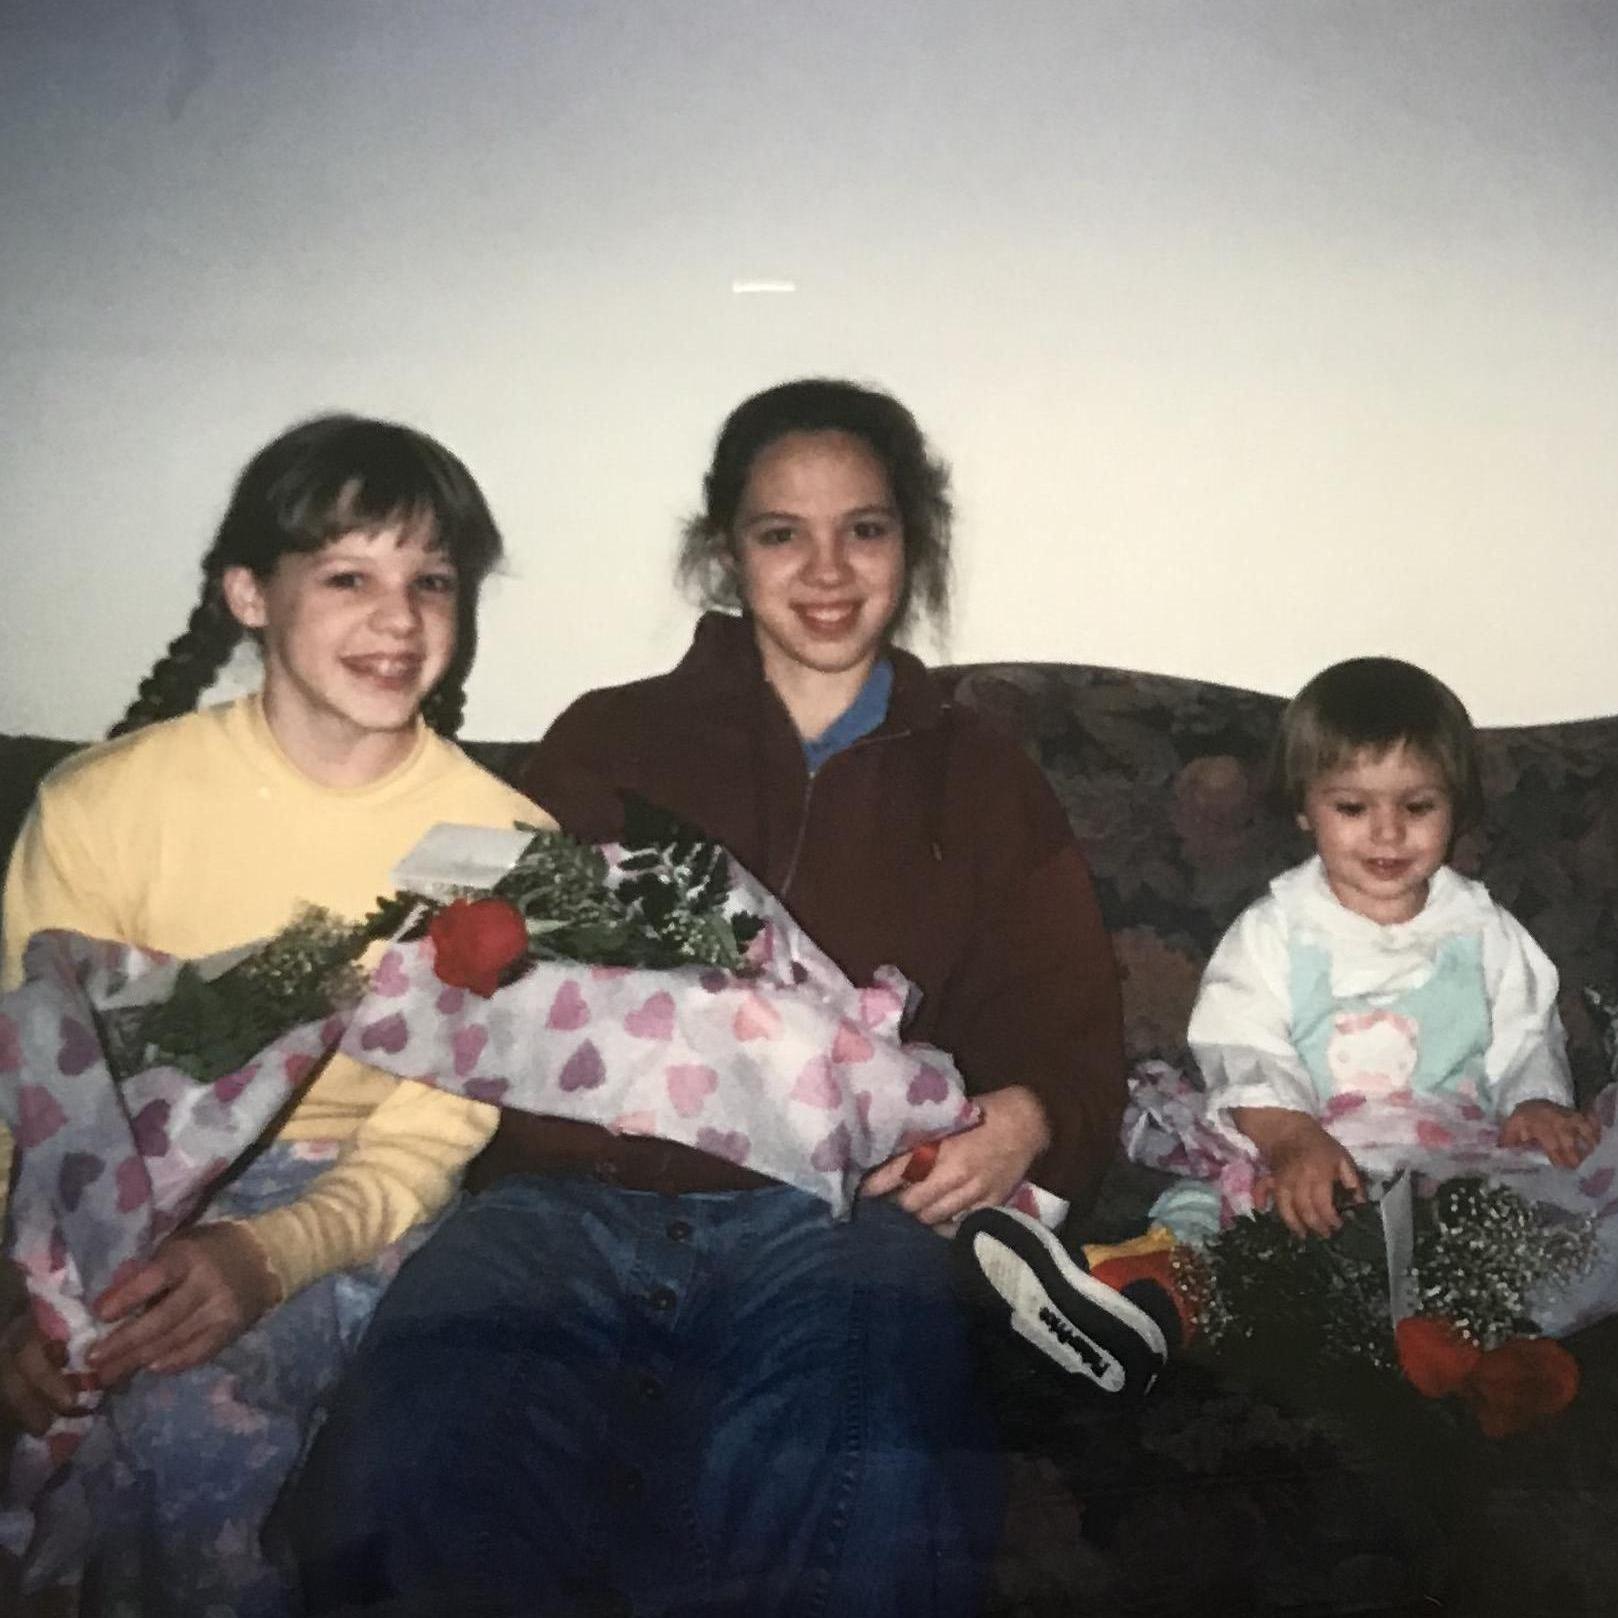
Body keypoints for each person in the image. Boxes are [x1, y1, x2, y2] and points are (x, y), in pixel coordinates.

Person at [280, 377, 1127, 1618]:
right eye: (782, 531)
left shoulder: (985, 774)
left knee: (868, 1487)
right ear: (726, 550)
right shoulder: (608, 740)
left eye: (867, 528)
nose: (826, 568)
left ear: (912, 544)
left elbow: (1065, 1019)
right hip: (566, 1201)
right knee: (414, 1466)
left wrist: (1031, 1115)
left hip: (836, 1218)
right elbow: (490, 981)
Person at [0, 413, 548, 1617]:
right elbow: (30, 1089)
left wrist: (265, 1254)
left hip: (356, 1206)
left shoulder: (506, 848)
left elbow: (428, 1138)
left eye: (431, 582)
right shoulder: (101, 805)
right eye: (349, 575)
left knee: (194, 1426)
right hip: (109, 1191)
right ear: (248, 592)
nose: (400, 621)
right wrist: (19, 1292)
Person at [966, 656, 1600, 1381]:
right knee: (1214, 1198)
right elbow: (1242, 1045)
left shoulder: (1483, 928)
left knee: (1532, 1208)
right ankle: (1148, 1297)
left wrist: (1537, 1099)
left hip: (1444, 1148)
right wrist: (1292, 1137)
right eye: (1353, 808)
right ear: (1305, 810)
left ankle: (1473, 1334)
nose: (1388, 833)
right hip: (1305, 1135)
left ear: (1455, 806)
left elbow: (1528, 1027)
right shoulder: (1277, 928)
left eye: (1417, 806)